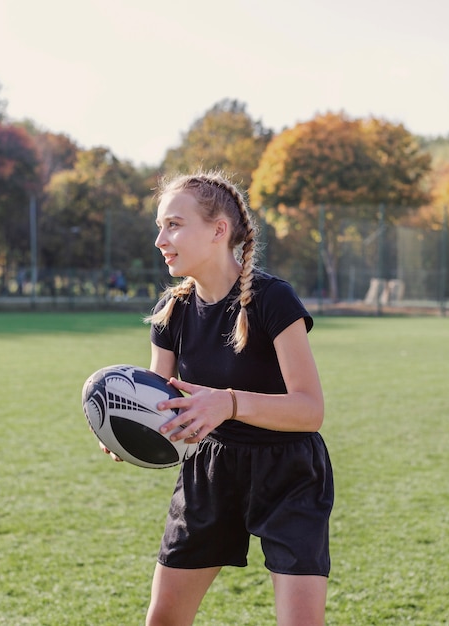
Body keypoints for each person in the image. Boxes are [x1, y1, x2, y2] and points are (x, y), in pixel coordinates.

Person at [101, 171, 334, 626]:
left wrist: (227, 402)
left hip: (287, 473)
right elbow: (157, 402)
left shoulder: (273, 300)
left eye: (173, 224)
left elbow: (311, 411)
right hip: (208, 471)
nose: (159, 239)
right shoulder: (173, 312)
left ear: (217, 230)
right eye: (160, 226)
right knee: (164, 619)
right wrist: (125, 427)